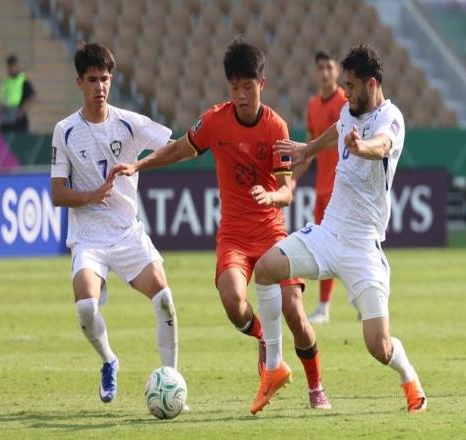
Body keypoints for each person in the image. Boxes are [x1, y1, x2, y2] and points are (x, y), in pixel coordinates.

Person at [112, 37, 331, 412]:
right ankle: (264, 339)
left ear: (262, 84)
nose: (241, 95)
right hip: (234, 235)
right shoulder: (214, 121)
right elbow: (179, 149)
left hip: (272, 233)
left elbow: (287, 191)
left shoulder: (275, 127)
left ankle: (316, 387)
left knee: (294, 311)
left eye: (248, 86)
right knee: (232, 300)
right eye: (235, 87)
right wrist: (139, 164)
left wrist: (272, 197)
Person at [250, 44, 427, 414]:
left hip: (363, 246)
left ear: (371, 84)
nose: (345, 93)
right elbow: (338, 127)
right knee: (265, 269)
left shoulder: (391, 118)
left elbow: (382, 145)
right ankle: (273, 367)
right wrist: (309, 149)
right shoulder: (349, 111)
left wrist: (361, 147)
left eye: (351, 85)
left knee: (379, 346)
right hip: (329, 233)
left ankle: (408, 374)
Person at [50, 43, 179, 404]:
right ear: (79, 83)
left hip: (127, 233)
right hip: (88, 238)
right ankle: (109, 360)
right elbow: (57, 194)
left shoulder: (129, 123)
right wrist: (92, 196)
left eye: (105, 79)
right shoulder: (65, 130)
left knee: (165, 300)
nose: (100, 87)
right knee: (86, 308)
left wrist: (146, 162)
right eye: (92, 79)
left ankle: (172, 380)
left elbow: (175, 146)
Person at [295, 51, 346, 324]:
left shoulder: (345, 103)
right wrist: (292, 179)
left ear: (337, 71)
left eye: (329, 67)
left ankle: (327, 307)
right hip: (321, 188)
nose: (325, 73)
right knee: (328, 247)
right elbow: (310, 148)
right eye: (321, 68)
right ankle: (325, 307)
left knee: (347, 245)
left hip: (344, 188)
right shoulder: (313, 106)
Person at [0, 54, 36, 134]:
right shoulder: (6, 81)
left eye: (13, 66)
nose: (11, 68)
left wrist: (21, 111)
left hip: (18, 119)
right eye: (9, 66)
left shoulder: (23, 80)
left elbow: (32, 97)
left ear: (17, 66)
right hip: (7, 116)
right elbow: (2, 98)